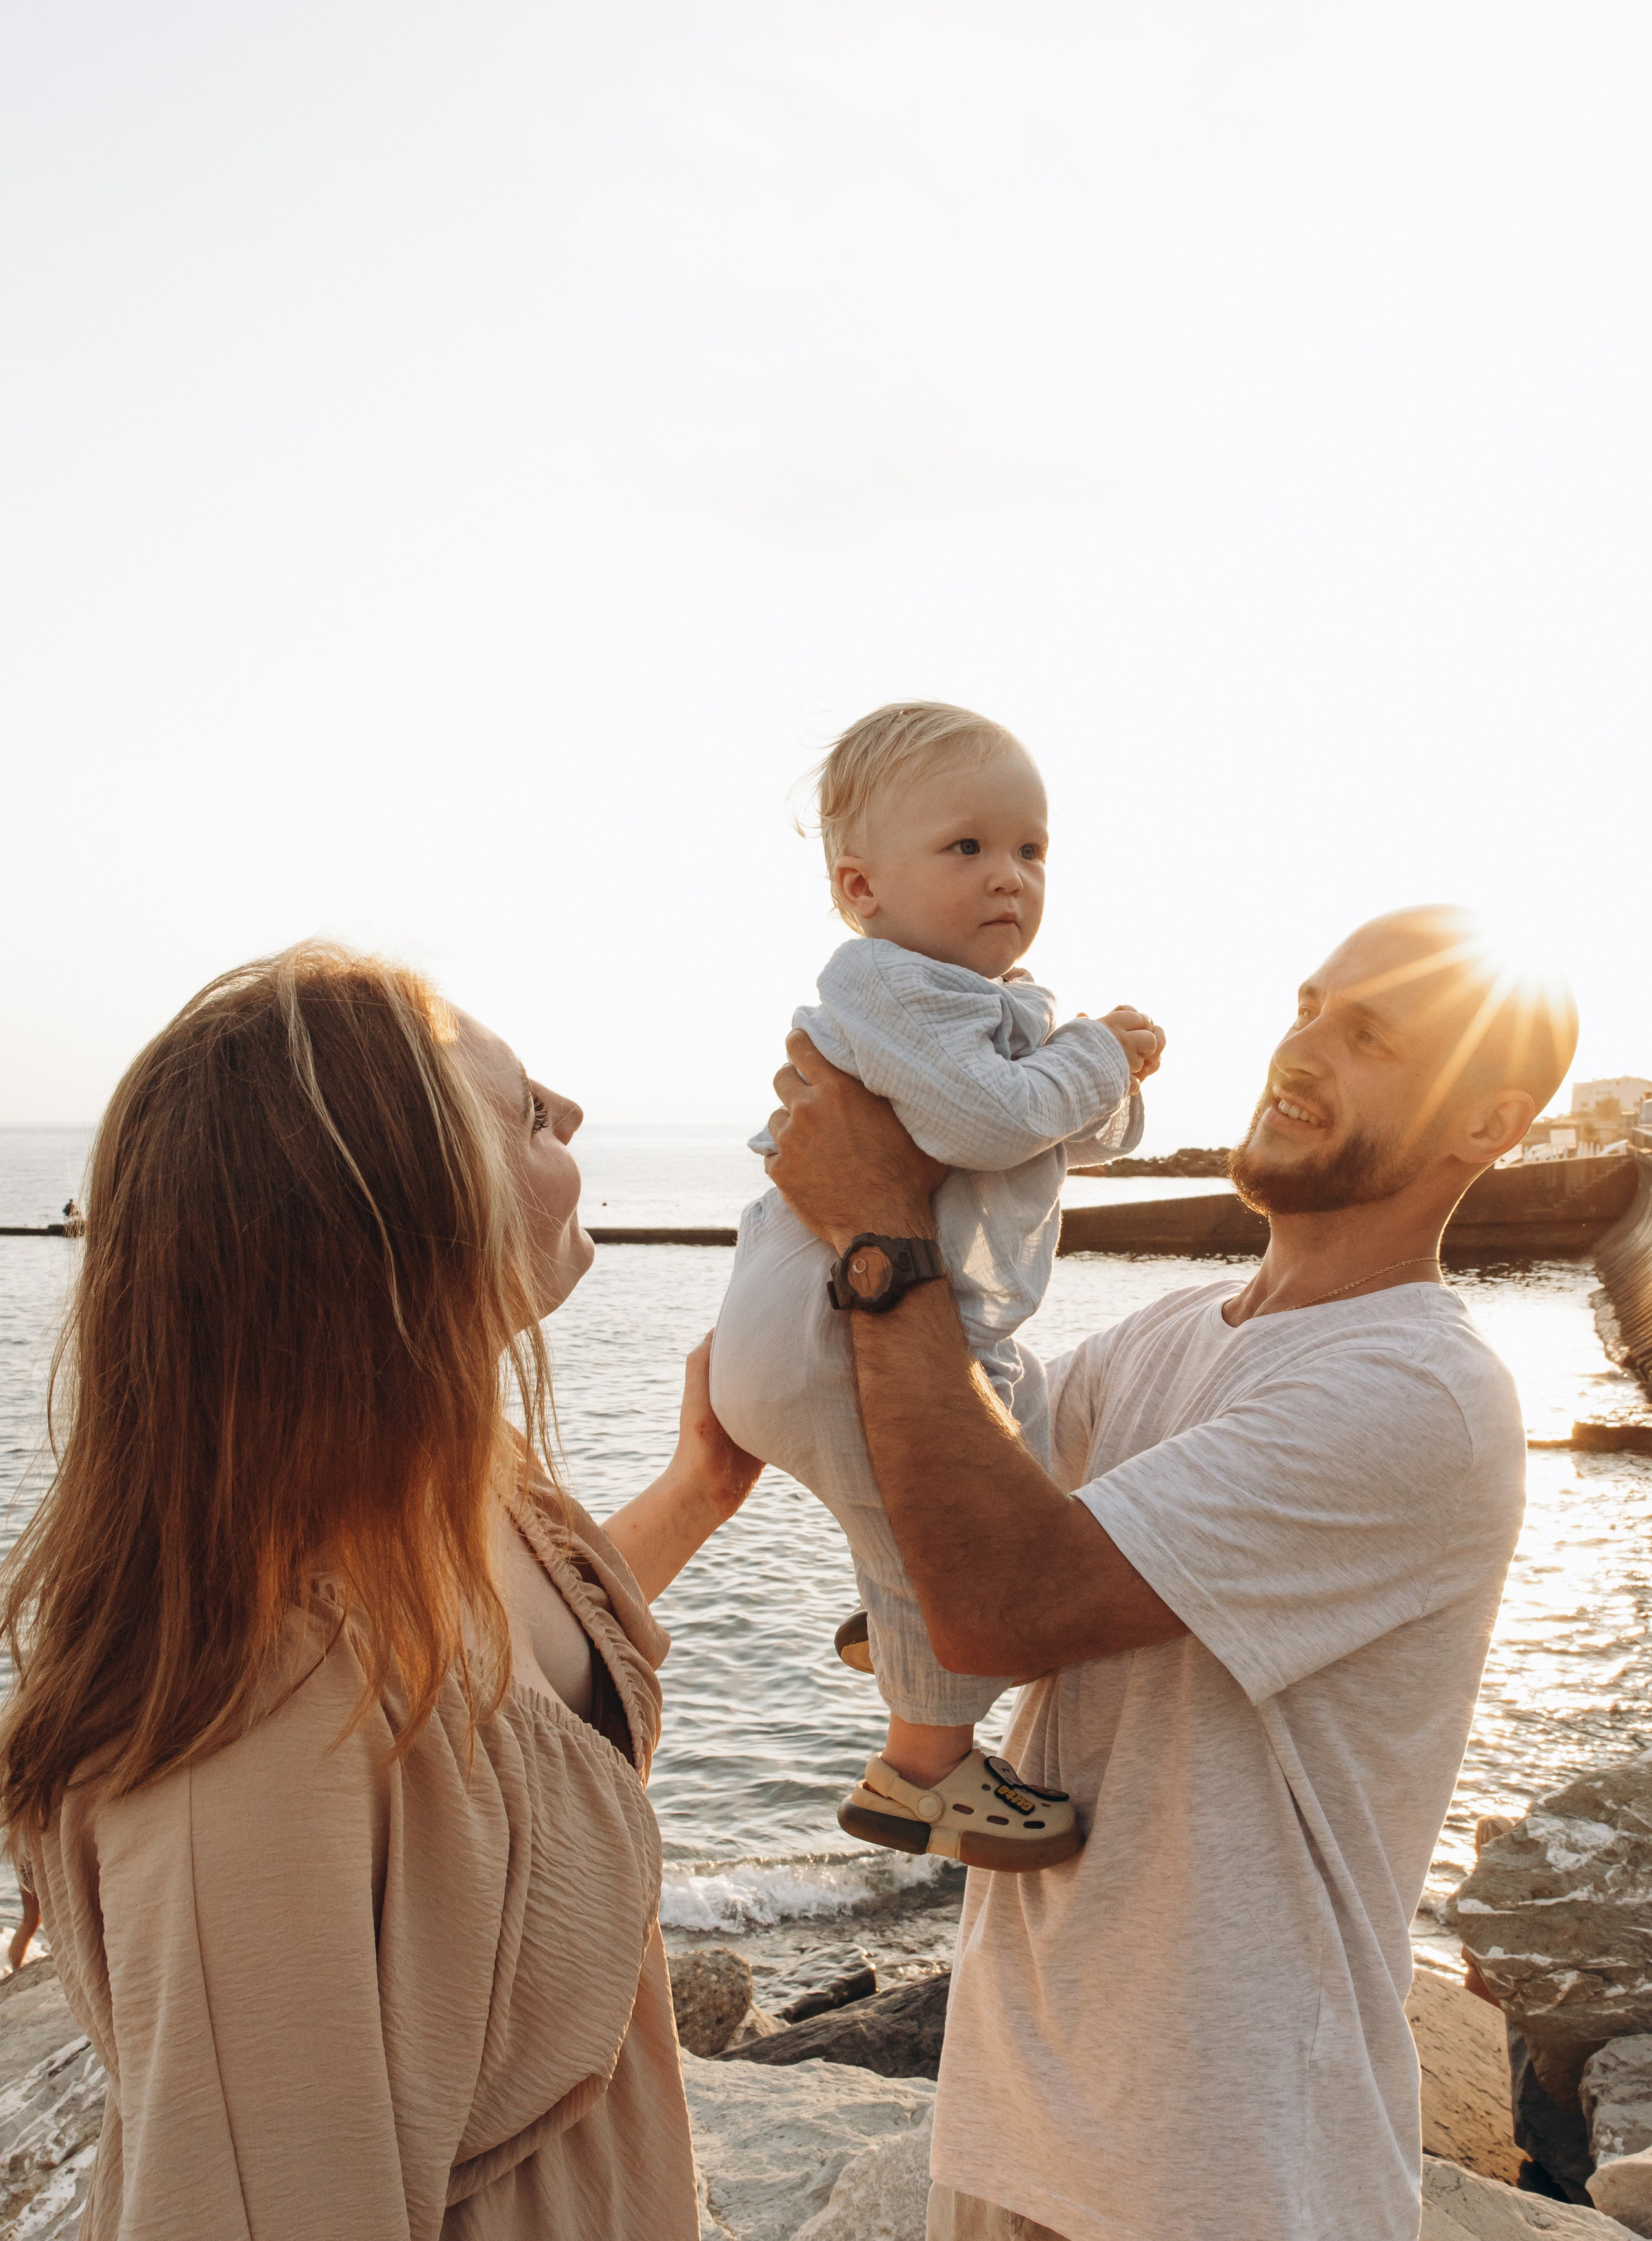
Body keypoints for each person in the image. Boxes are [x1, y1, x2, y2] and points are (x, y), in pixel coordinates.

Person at [760, 906, 1576, 2241]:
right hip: (1022, 2109)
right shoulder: (1166, 1337)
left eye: (1363, 1035)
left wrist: (881, 1232)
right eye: (1307, 1003)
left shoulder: (1409, 1389)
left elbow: (991, 1604)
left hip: (1217, 2162)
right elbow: (927, 1486)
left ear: (1483, 1125)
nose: (1297, 1050)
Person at [0, 943, 761, 2240]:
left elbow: (511, 1705)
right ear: (392, 1206)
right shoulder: (261, 1716)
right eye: (524, 1110)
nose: (570, 1112)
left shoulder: (466, 1487)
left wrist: (700, 1481)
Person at [712, 701, 1164, 1870]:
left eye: (1031, 848)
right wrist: (1097, 1055)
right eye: (965, 847)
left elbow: (1063, 1136)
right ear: (863, 890)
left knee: (1014, 1455)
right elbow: (990, 1118)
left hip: (818, 1314)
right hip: (838, 1315)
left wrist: (1104, 1075)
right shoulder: (888, 986)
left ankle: (900, 1616)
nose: (1008, 875)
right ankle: (922, 1772)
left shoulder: (980, 1005)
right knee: (966, 1502)